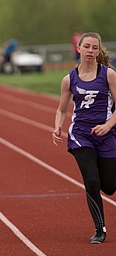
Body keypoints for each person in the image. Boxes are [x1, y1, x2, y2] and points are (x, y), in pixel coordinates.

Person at [52, 32, 116, 244]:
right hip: (80, 135)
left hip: (106, 134)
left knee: (108, 186)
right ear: (78, 49)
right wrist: (58, 127)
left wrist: (107, 125)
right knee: (91, 180)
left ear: (99, 51)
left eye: (94, 47)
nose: (90, 51)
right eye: (86, 46)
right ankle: (100, 229)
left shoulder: (108, 75)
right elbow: (61, 109)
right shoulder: (69, 79)